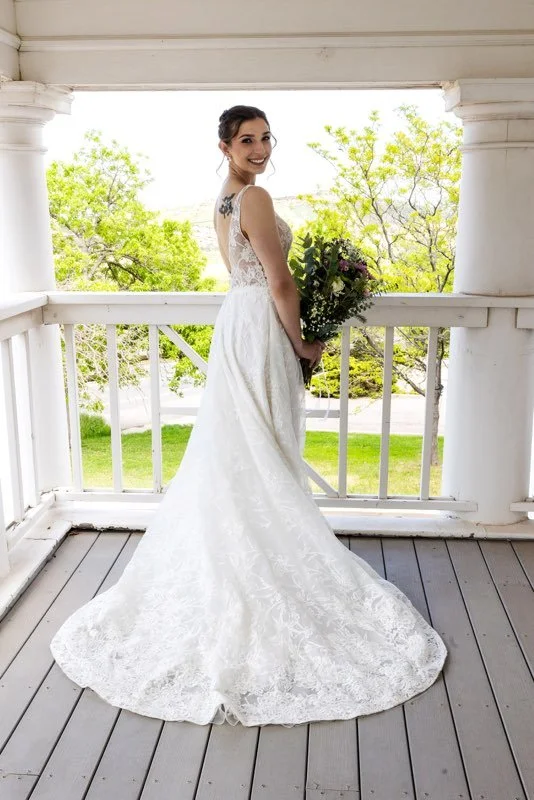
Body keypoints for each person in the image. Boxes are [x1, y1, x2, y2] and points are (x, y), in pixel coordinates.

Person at [50, 105, 447, 727]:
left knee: (243, 448)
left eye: (265, 138)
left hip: (238, 323)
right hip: (261, 327)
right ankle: (262, 562)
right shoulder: (254, 197)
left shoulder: (225, 199)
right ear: (225, 146)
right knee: (263, 444)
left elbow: (249, 273)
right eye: (247, 140)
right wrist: (303, 344)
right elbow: (281, 283)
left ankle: (245, 555)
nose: (260, 149)